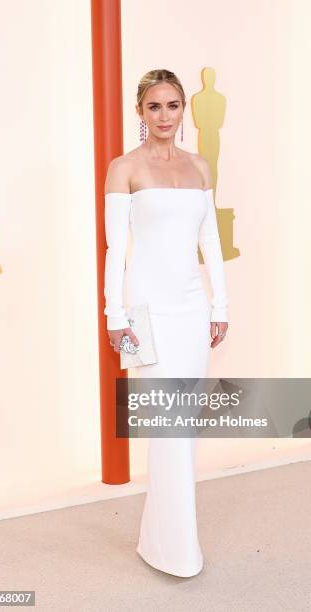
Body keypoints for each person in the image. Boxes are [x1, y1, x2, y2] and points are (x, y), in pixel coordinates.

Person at [103, 69, 229, 577]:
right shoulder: (123, 168)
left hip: (191, 309)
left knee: (185, 427)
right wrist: (114, 315)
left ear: (183, 111)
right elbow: (116, 250)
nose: (164, 116)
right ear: (140, 111)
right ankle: (171, 549)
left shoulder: (199, 166)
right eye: (154, 106)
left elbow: (211, 244)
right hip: (144, 310)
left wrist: (219, 306)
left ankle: (165, 542)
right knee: (167, 426)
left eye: (172, 106)